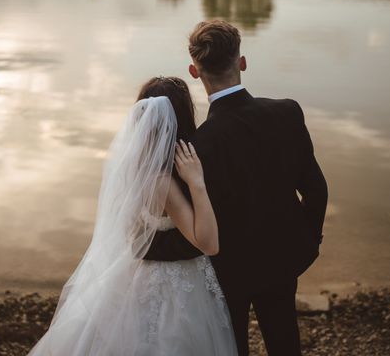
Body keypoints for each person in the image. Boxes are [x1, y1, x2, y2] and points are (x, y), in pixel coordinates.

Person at [144, 20, 328, 356]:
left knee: (232, 346)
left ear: (194, 71)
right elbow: (316, 190)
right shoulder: (287, 112)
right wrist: (308, 241)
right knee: (285, 339)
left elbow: (195, 235)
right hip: (284, 257)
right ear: (242, 62)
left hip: (229, 272)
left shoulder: (197, 147)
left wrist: (144, 248)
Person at [27, 77, 238, 356]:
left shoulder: (134, 169)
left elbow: (132, 232)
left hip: (138, 273)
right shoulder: (162, 182)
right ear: (183, 118)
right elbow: (208, 243)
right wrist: (196, 182)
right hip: (172, 286)